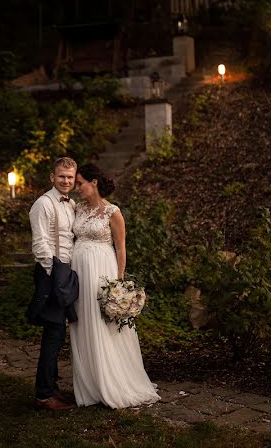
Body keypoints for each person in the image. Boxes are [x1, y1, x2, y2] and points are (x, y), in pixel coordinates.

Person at [69, 163, 159, 409]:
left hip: (101, 273)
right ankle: (90, 386)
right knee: (83, 324)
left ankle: (112, 382)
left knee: (103, 326)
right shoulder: (77, 209)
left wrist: (118, 286)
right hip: (79, 275)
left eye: (80, 183)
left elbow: (121, 249)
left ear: (94, 182)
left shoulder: (113, 212)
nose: (77, 188)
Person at [25, 156, 78, 411]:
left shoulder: (71, 204)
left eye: (70, 177)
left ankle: (51, 386)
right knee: (53, 333)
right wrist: (55, 273)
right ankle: (44, 395)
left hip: (64, 271)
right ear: (52, 177)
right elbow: (40, 244)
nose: (66, 181)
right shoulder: (42, 204)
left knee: (58, 334)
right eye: (61, 176)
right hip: (51, 272)